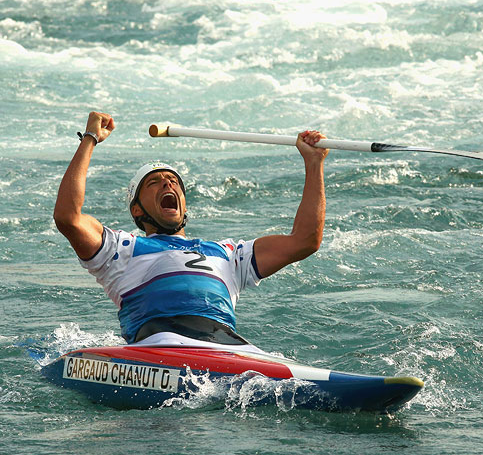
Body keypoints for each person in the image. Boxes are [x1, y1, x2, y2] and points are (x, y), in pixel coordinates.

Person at [54, 111, 328, 351]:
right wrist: (90, 137)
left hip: (224, 345)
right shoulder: (121, 250)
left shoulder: (230, 255)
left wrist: (314, 163)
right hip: (156, 345)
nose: (168, 185)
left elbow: (305, 240)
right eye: (155, 183)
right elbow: (69, 218)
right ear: (137, 210)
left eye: (173, 182)